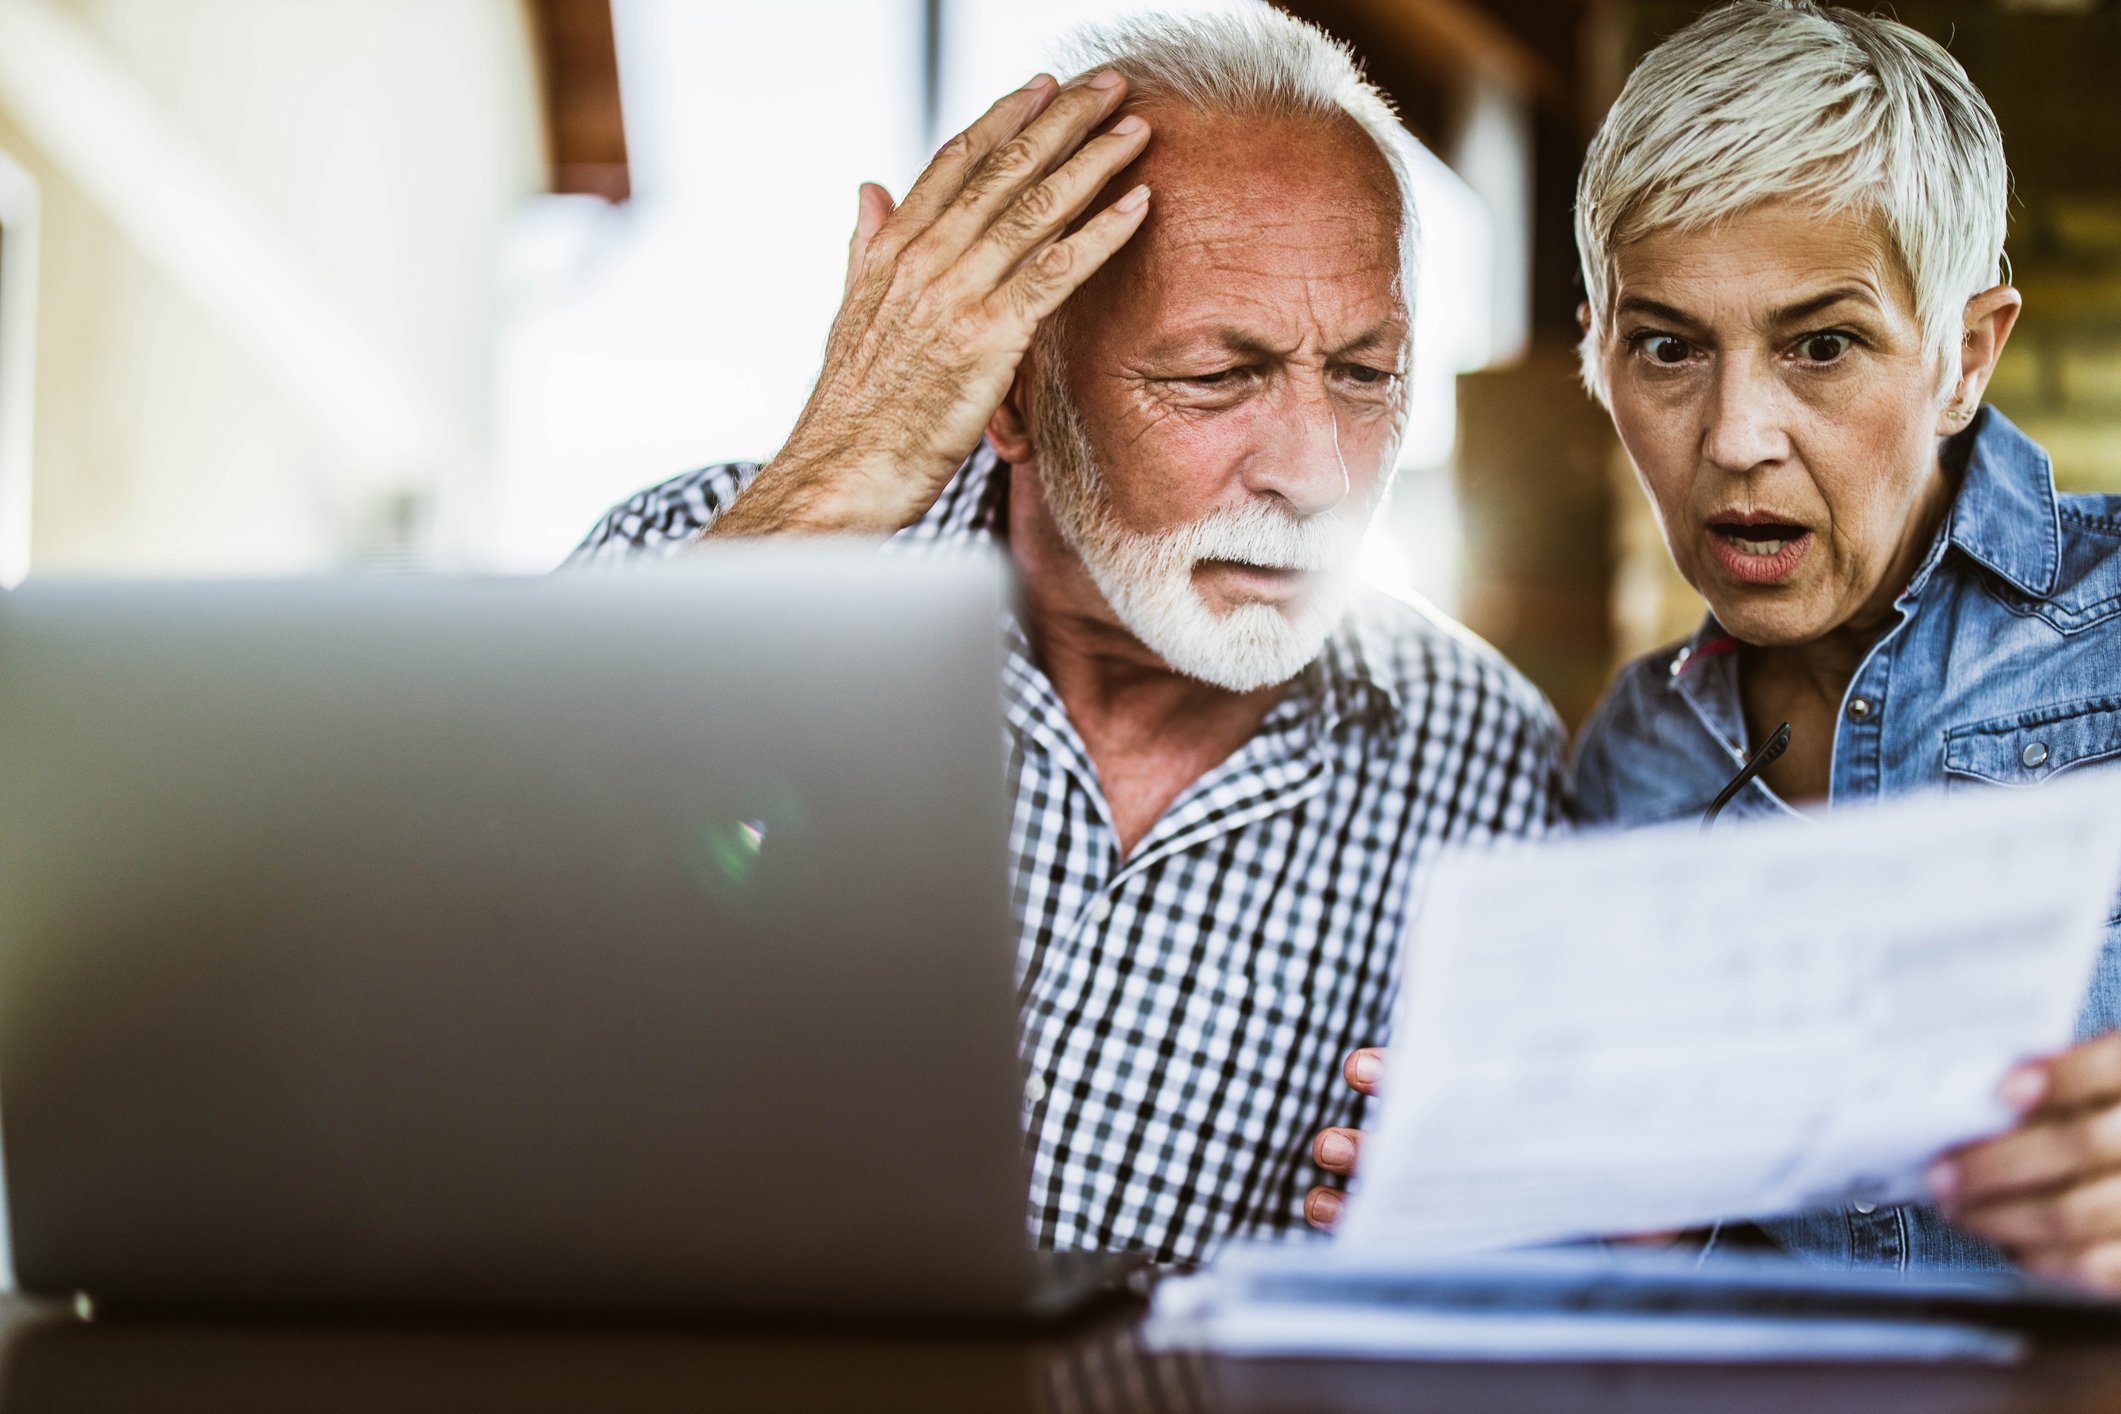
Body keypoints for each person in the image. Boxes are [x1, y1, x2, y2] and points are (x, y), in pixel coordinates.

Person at [569, 11, 1565, 1263]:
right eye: (1218, 376)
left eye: (1366, 375)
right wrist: (832, 484)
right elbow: (448, 971)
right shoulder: (701, 554)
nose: (1318, 473)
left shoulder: (1489, 763)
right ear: (1014, 391)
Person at [1309, 0, 2121, 1290]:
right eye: (1670, 348)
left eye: (1823, 344)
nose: (1736, 435)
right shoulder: (1634, 756)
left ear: (1966, 356)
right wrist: (1553, 1198)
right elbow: (1681, 1252)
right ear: (1598, 354)